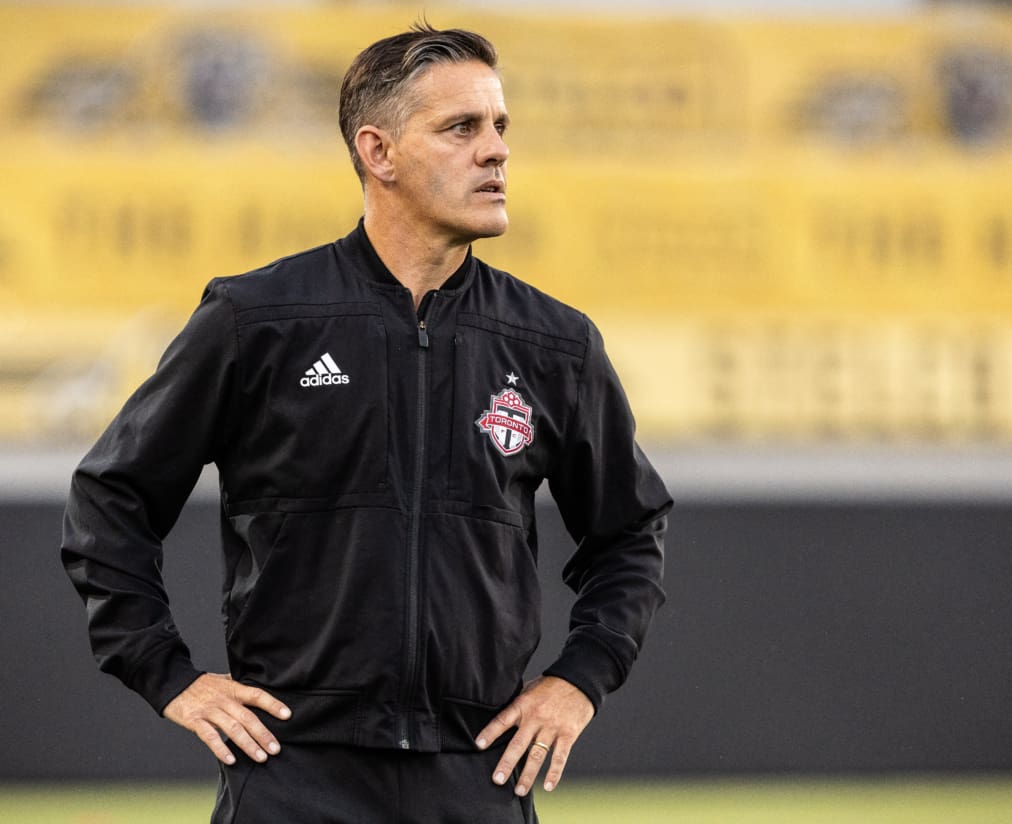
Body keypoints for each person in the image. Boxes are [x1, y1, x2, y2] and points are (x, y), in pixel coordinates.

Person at [61, 23, 672, 823]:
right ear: (377, 152)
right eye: (461, 128)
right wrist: (167, 673)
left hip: (477, 777)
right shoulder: (259, 319)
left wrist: (579, 679)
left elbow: (631, 534)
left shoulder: (553, 344)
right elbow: (111, 497)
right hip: (291, 772)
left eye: (500, 127)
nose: (495, 152)